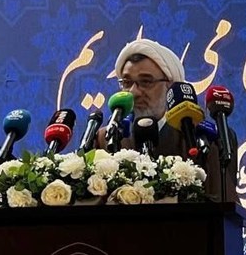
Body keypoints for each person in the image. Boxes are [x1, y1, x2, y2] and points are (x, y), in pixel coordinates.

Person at [96, 38, 238, 202]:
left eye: (146, 81)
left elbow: (222, 202)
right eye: (127, 83)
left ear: (170, 87)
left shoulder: (202, 138)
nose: (134, 92)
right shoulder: (105, 139)